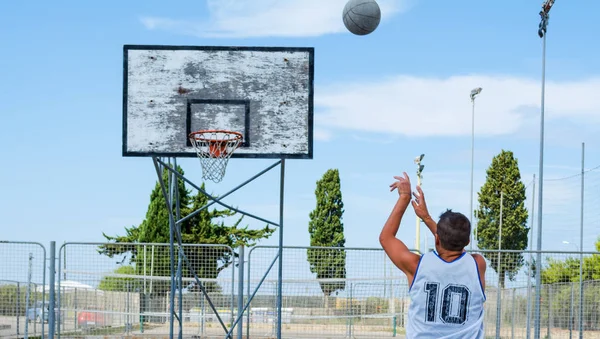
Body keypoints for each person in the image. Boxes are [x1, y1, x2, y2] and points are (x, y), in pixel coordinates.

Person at [379, 172, 487, 339]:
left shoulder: (417, 266)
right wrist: (427, 218)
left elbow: (386, 238)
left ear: (437, 238)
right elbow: (456, 245)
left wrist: (405, 197)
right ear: (467, 242)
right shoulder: (477, 264)